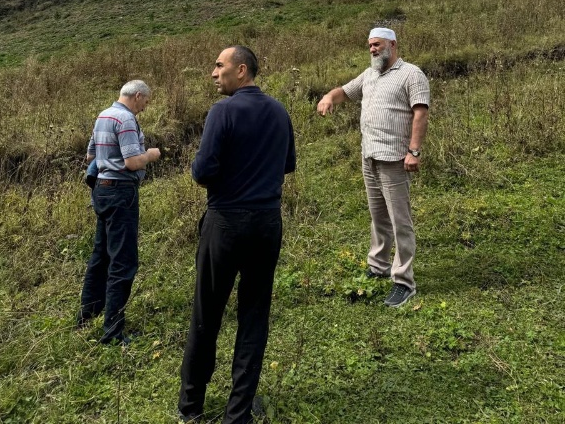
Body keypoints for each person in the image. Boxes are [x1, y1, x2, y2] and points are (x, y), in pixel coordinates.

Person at [178, 46, 296, 424]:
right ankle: (238, 412)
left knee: (207, 313)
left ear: (241, 70)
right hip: (266, 223)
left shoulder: (222, 112)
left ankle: (191, 408)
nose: (213, 72)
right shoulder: (279, 111)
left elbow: (202, 172)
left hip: (225, 222)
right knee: (254, 315)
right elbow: (288, 164)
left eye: (219, 65)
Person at [317, 27, 429, 308]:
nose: (372, 49)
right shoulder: (370, 75)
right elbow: (344, 91)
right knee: (378, 216)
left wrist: (413, 152)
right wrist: (329, 97)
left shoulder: (411, 74)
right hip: (370, 157)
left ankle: (404, 281)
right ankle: (378, 266)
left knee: (400, 221)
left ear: (392, 44)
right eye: (369, 45)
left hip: (394, 159)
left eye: (377, 44)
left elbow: (421, 113)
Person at [76, 80, 161, 343]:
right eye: (145, 103)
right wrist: (151, 154)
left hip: (101, 190)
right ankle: (112, 333)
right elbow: (132, 161)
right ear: (137, 96)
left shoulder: (104, 115)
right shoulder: (125, 119)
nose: (144, 109)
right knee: (123, 262)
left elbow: (91, 157)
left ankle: (86, 317)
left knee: (100, 255)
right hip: (121, 193)